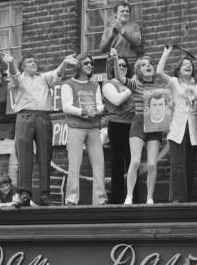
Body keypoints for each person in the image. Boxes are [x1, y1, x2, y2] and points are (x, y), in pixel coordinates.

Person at [3, 51, 79, 206]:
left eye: (33, 60)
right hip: (24, 117)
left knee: (45, 155)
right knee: (24, 156)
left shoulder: (43, 77)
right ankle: (24, 194)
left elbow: (57, 74)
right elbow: (14, 73)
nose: (33, 63)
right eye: (29, 62)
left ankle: (45, 195)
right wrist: (10, 62)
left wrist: (64, 63)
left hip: (43, 117)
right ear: (23, 67)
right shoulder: (19, 78)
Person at [157, 46, 197, 203]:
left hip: (192, 129)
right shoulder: (173, 82)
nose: (188, 66)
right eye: (184, 64)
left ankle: (188, 198)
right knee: (177, 165)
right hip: (177, 128)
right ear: (178, 69)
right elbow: (159, 72)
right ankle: (176, 199)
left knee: (191, 165)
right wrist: (166, 52)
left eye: (190, 65)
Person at [111, 49, 163, 205]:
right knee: (134, 162)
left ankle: (149, 197)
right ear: (138, 70)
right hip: (139, 123)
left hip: (154, 124)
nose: (148, 66)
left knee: (153, 163)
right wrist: (115, 59)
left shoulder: (158, 84)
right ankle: (129, 196)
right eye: (143, 64)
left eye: (150, 64)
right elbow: (120, 77)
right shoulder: (135, 83)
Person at [61, 54, 107, 205]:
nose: (89, 65)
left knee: (99, 163)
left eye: (91, 63)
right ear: (78, 66)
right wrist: (83, 112)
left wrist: (96, 110)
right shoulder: (68, 84)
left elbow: (101, 104)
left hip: (93, 128)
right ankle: (71, 199)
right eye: (86, 62)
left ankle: (100, 200)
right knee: (74, 164)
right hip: (76, 128)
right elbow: (66, 106)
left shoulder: (94, 85)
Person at [102, 56, 134, 204]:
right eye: (118, 65)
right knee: (118, 162)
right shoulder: (108, 84)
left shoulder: (131, 82)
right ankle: (117, 198)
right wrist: (131, 88)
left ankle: (133, 196)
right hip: (117, 125)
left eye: (124, 65)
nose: (122, 67)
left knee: (133, 162)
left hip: (133, 125)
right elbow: (117, 100)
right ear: (112, 67)